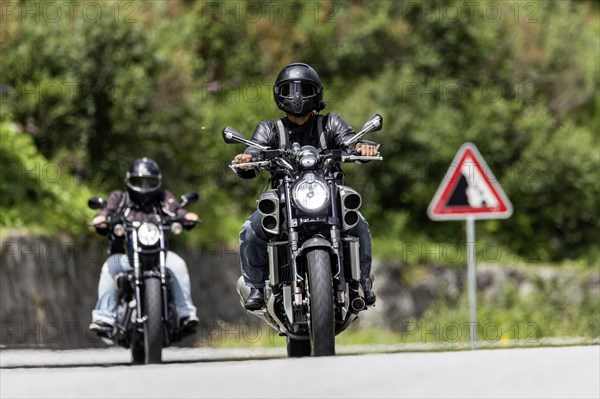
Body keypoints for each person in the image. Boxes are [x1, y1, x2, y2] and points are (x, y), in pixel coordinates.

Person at [233, 62, 379, 310]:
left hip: (328, 196)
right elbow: (255, 149)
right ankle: (256, 287)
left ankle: (362, 283)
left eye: (304, 89)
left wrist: (361, 147)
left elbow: (349, 141)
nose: (297, 96)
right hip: (285, 199)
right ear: (280, 94)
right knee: (250, 229)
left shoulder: (330, 123)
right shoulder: (270, 128)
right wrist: (248, 160)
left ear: (317, 93)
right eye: (289, 90)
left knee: (359, 225)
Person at [88, 157, 199, 337]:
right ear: (129, 181)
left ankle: (186, 314)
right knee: (110, 266)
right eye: (139, 181)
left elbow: (177, 210)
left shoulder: (163, 198)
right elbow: (107, 211)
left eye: (150, 182)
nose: (145, 187)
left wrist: (187, 216)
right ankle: (104, 318)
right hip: (128, 257)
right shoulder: (120, 198)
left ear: (158, 182)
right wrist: (101, 219)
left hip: (160, 256)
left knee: (178, 264)